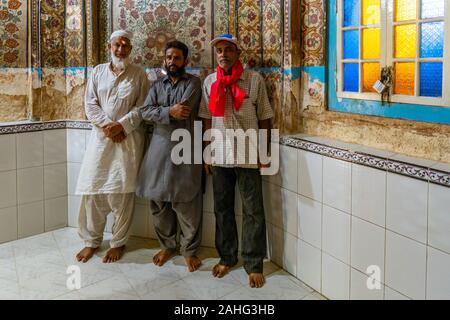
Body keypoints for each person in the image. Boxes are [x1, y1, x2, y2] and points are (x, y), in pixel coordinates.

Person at [199, 34, 274, 288]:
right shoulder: (210, 82)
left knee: (253, 211)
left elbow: (264, 117)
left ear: (237, 53)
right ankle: (227, 257)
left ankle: (253, 264)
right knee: (222, 209)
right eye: (219, 50)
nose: (223, 54)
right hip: (220, 155)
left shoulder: (254, 80)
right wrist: (207, 152)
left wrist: (265, 153)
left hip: (249, 154)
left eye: (228, 49)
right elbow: (207, 118)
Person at [75, 30, 150, 263]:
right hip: (101, 139)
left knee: (121, 193)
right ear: (109, 46)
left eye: (126, 46)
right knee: (94, 191)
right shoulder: (97, 71)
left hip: (127, 141)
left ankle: (118, 243)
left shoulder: (139, 74)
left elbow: (142, 107)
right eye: (117, 45)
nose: (121, 49)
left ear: (130, 49)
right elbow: (90, 104)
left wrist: (122, 126)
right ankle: (91, 241)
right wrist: (109, 126)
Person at [136, 40, 203, 272]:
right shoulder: (156, 86)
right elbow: (145, 111)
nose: (172, 62)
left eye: (176, 58)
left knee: (186, 201)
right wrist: (167, 111)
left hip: (185, 146)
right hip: (159, 147)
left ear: (185, 60)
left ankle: (189, 250)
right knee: (159, 201)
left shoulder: (194, 83)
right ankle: (167, 246)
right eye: (168, 58)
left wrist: (162, 112)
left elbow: (184, 109)